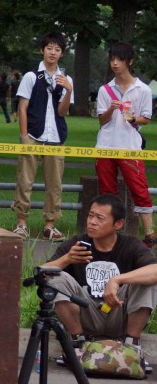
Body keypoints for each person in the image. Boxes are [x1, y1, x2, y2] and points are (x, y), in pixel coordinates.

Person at [45, 194, 157, 368]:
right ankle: (77, 343)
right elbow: (42, 274)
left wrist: (117, 279)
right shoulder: (77, 244)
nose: (92, 222)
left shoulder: (131, 246)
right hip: (86, 314)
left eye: (100, 218)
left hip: (119, 313)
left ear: (118, 224)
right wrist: (66, 259)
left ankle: (131, 345)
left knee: (145, 279)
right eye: (90, 215)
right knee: (56, 276)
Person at [11, 32, 73, 241]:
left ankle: (50, 225)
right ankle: (21, 224)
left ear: (61, 53)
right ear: (42, 50)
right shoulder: (30, 76)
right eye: (49, 48)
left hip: (55, 136)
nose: (52, 53)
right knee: (25, 180)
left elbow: (63, 112)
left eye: (57, 49)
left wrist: (69, 90)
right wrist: (24, 137)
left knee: (55, 184)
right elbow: (22, 108)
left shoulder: (65, 79)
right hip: (33, 135)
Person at [95, 42, 155, 248]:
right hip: (105, 146)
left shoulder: (143, 90)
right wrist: (111, 110)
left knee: (139, 188)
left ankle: (149, 234)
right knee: (108, 191)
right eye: (112, 59)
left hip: (130, 146)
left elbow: (146, 119)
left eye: (119, 60)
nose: (115, 63)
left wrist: (132, 118)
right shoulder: (105, 89)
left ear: (130, 61)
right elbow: (102, 121)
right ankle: (108, 234)